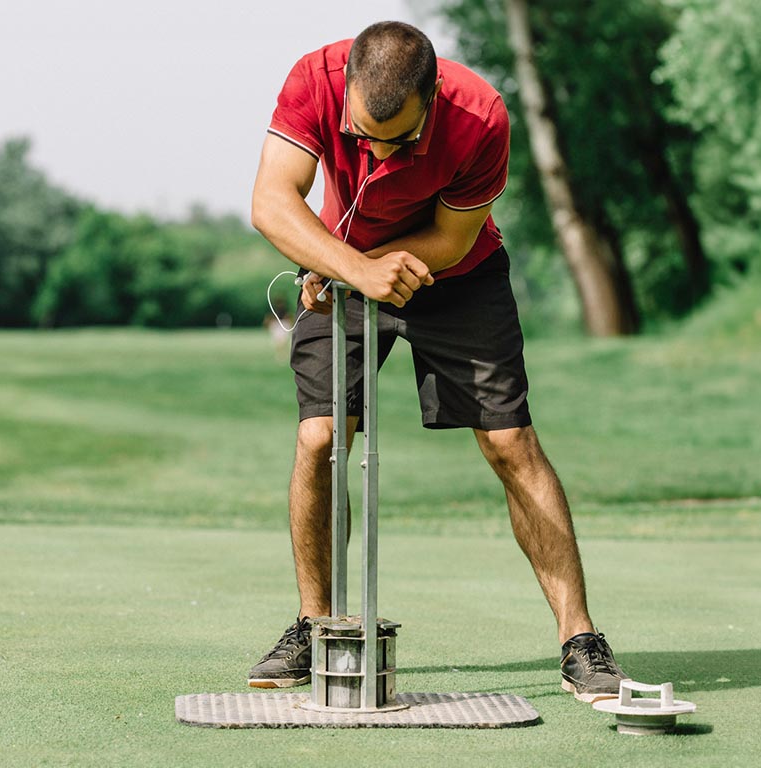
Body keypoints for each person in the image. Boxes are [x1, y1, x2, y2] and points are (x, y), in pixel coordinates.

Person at [248, 20, 627, 703]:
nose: (379, 152)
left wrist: (359, 267)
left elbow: (452, 239)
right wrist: (345, 266)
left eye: (400, 140)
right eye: (365, 136)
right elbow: (271, 203)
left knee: (512, 442)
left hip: (458, 276)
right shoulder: (313, 79)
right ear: (348, 91)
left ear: (434, 94)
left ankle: (580, 641)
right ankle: (312, 625)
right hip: (347, 269)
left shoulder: (480, 115)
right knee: (321, 437)